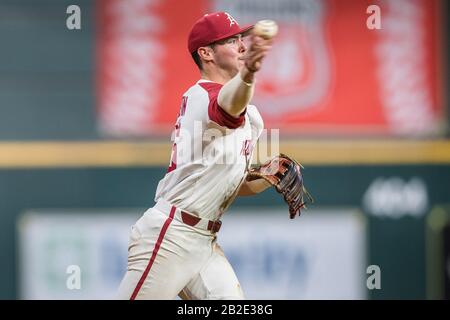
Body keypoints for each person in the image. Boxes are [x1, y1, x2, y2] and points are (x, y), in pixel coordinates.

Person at [117, 11, 274, 300]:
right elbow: (228, 105)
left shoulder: (251, 115)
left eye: (241, 38)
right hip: (170, 237)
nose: (241, 45)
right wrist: (249, 73)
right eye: (230, 40)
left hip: (205, 242)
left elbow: (234, 185)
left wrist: (268, 177)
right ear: (206, 53)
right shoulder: (202, 97)